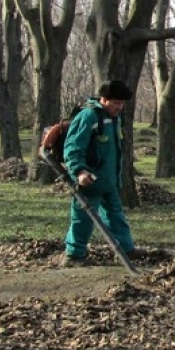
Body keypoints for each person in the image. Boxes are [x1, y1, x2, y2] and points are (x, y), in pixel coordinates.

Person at [61, 79, 140, 267]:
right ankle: (74, 255)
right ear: (104, 100)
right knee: (83, 218)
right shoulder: (88, 116)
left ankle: (125, 249)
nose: (120, 107)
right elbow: (73, 148)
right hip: (90, 179)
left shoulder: (114, 118)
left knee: (116, 215)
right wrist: (79, 171)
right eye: (116, 103)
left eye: (122, 104)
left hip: (109, 179)